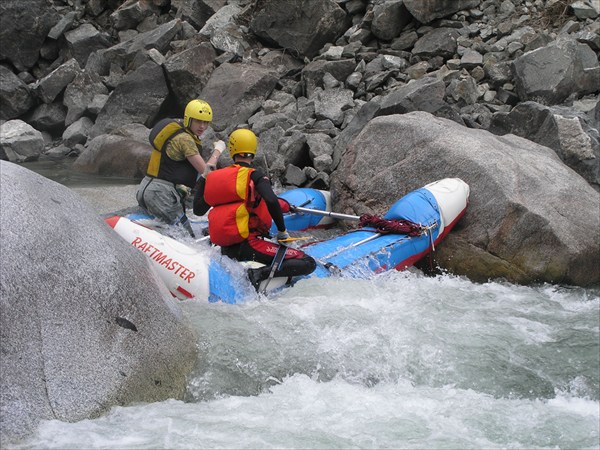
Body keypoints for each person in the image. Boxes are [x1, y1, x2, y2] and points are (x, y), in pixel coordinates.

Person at [193, 128, 316, 290]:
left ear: (231, 151)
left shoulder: (216, 178)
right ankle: (257, 274)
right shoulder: (254, 175)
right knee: (308, 262)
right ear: (253, 150)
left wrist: (203, 178)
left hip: (226, 248)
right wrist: (282, 231)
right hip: (250, 246)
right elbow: (271, 200)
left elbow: (197, 210)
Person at [136, 99, 225, 235]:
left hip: (146, 189)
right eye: (198, 121)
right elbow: (207, 172)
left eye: (205, 122)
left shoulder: (176, 132)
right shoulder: (185, 140)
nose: (202, 126)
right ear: (188, 119)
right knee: (186, 236)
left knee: (169, 229)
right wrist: (218, 151)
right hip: (161, 195)